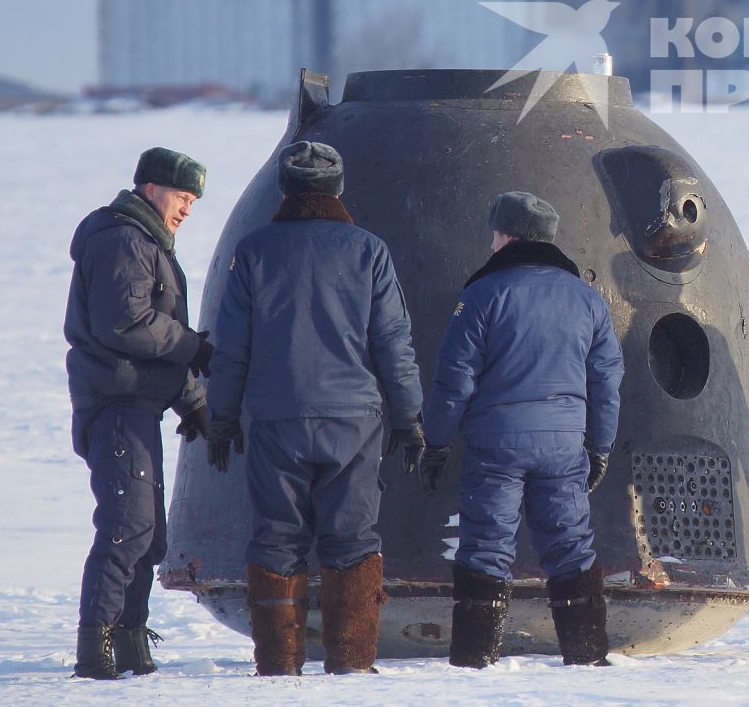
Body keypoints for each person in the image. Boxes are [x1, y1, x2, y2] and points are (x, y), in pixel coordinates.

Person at [205, 141, 424, 675]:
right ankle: (351, 666)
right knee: (351, 541)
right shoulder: (368, 250)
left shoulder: (254, 252)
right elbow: (392, 341)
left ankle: (278, 668)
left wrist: (222, 416)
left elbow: (231, 346)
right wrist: (409, 417)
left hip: (276, 417)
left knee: (277, 539)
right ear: (338, 188)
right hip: (353, 422)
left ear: (285, 188)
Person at [419, 192, 624, 669]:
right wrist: (601, 447)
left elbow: (454, 380)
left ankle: (474, 658)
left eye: (495, 233)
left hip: (497, 444)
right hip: (564, 445)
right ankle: (588, 655)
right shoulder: (586, 299)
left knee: (487, 546)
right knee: (571, 547)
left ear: (508, 235)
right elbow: (607, 381)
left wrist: (436, 441)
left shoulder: (482, 295)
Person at [63, 147, 214, 679]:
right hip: (116, 406)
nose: (188, 209)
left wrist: (193, 402)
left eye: (193, 200)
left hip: (137, 405)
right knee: (126, 527)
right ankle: (95, 646)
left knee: (148, 536)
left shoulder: (148, 243)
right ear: (151, 190)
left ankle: (130, 641)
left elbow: (149, 340)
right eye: (182, 196)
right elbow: (126, 325)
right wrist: (194, 347)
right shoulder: (124, 239)